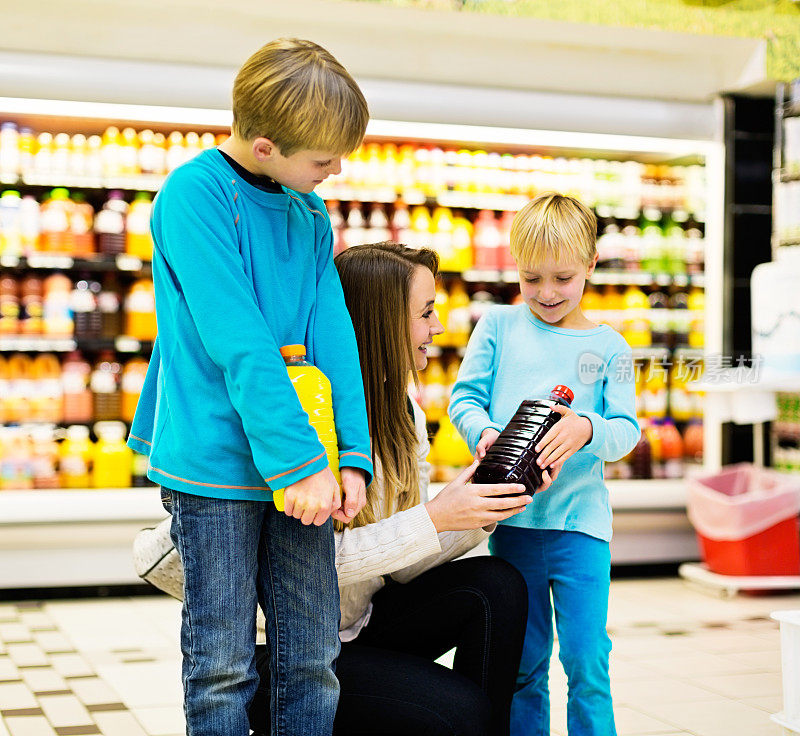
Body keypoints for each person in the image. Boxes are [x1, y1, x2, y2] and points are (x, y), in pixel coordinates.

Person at [135, 242, 531, 736]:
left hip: (354, 625)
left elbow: (403, 566)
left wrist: (483, 505)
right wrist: (435, 517)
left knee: (496, 586)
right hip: (285, 648)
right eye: (426, 313)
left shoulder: (400, 409)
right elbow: (305, 567)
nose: (438, 328)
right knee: (458, 712)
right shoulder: (311, 414)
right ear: (381, 322)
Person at [127, 39, 374, 736]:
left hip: (307, 463)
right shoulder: (194, 197)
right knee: (223, 664)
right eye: (323, 161)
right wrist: (302, 465)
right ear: (266, 147)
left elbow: (335, 339)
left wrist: (349, 456)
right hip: (218, 464)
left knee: (312, 657)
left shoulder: (310, 213)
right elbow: (240, 342)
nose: (335, 172)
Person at [448, 193, 641, 736]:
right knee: (524, 666)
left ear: (591, 266)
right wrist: (483, 432)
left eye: (563, 277)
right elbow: (464, 399)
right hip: (514, 525)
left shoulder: (611, 347)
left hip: (582, 529)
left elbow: (625, 431)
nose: (547, 293)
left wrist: (586, 428)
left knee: (586, 662)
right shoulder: (498, 326)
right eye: (531, 278)